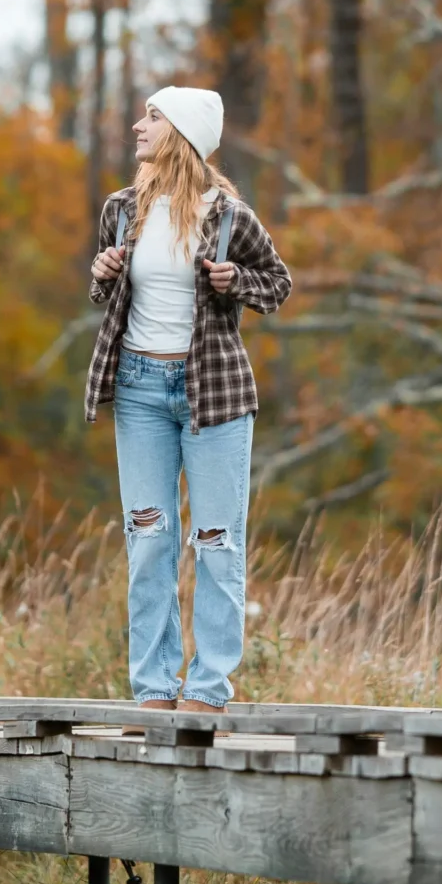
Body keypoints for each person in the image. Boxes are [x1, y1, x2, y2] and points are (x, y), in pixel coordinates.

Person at [84, 86, 294, 714]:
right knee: (148, 541)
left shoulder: (228, 217)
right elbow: (106, 298)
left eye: (151, 117)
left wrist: (238, 281)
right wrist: (101, 275)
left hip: (216, 396)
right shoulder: (121, 211)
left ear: (181, 133)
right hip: (142, 391)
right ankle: (153, 692)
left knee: (216, 541)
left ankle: (206, 693)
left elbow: (278, 284)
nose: (137, 125)